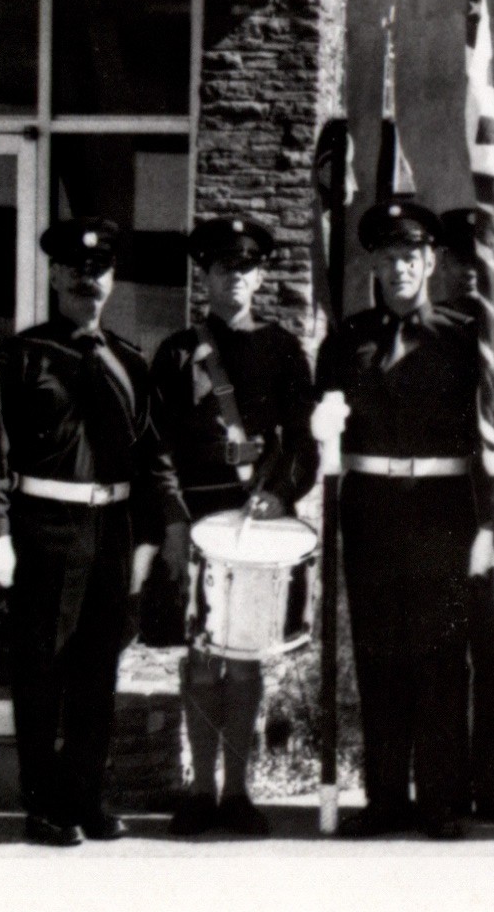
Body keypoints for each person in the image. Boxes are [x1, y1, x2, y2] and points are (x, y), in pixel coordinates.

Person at [0, 219, 188, 846]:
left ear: (111, 279)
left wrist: (163, 530)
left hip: (112, 530)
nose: (89, 279)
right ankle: (43, 805)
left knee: (98, 671)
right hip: (45, 529)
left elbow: (153, 457)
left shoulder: (130, 361)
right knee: (42, 671)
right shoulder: (23, 355)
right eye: (76, 269)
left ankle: (86, 797)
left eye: (100, 269)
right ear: (57, 276)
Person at [312, 201, 490, 839]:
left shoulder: (463, 338)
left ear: (431, 261)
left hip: (441, 511)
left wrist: (491, 525)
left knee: (442, 655)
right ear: (375, 266)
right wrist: (322, 431)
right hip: (371, 509)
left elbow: (489, 435)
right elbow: (323, 426)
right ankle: (385, 796)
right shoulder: (346, 340)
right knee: (379, 654)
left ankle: (443, 799)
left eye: (410, 257)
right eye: (387, 259)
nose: (399, 269)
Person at [150, 216, 318, 838]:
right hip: (198, 520)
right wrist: (171, 517)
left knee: (245, 659)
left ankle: (238, 791)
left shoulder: (282, 349)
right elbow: (157, 444)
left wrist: (279, 495)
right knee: (200, 657)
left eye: (247, 267)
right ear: (207, 274)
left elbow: (303, 442)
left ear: (261, 274)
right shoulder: (176, 350)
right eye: (225, 267)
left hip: (259, 515)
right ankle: (198, 790)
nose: (236, 277)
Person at [438, 205, 494, 826]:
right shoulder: (424, 329)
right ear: (440, 262)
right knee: (444, 657)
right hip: (437, 514)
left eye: (482, 259)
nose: (470, 271)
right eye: (457, 258)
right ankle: (445, 788)